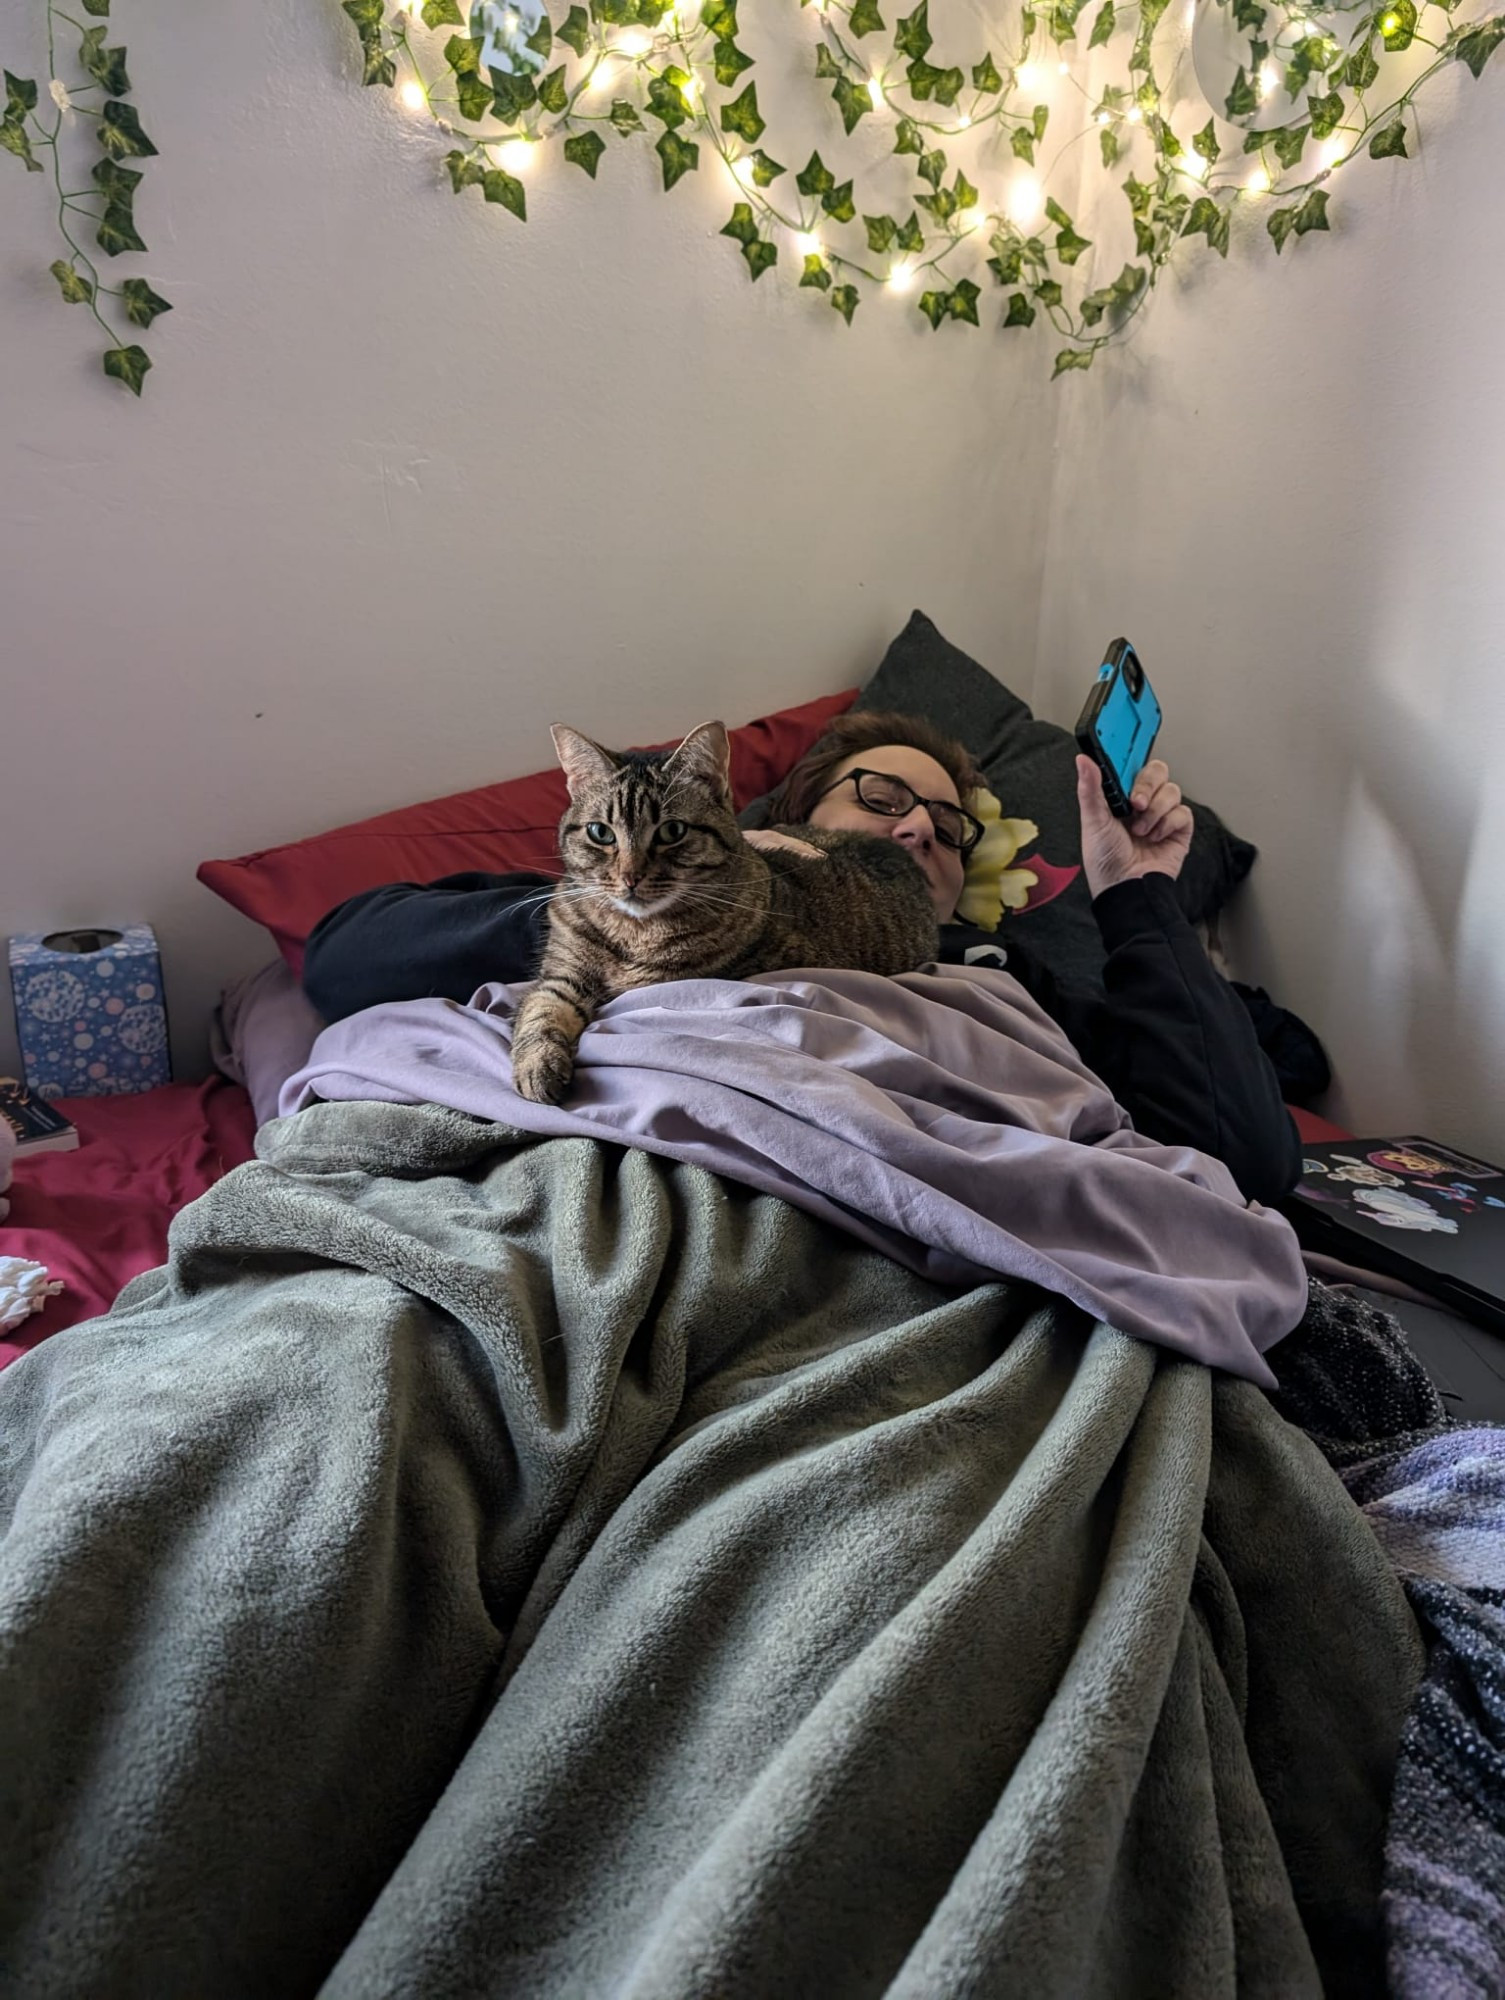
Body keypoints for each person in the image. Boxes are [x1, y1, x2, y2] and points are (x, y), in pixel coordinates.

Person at [302, 710, 1300, 1206]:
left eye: (949, 825)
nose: (917, 829)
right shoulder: (603, 873)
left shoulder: (1003, 970)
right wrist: (615, 922)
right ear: (784, 821)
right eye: (879, 800)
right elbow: (338, 960)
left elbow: (1242, 1152)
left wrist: (1139, 899)